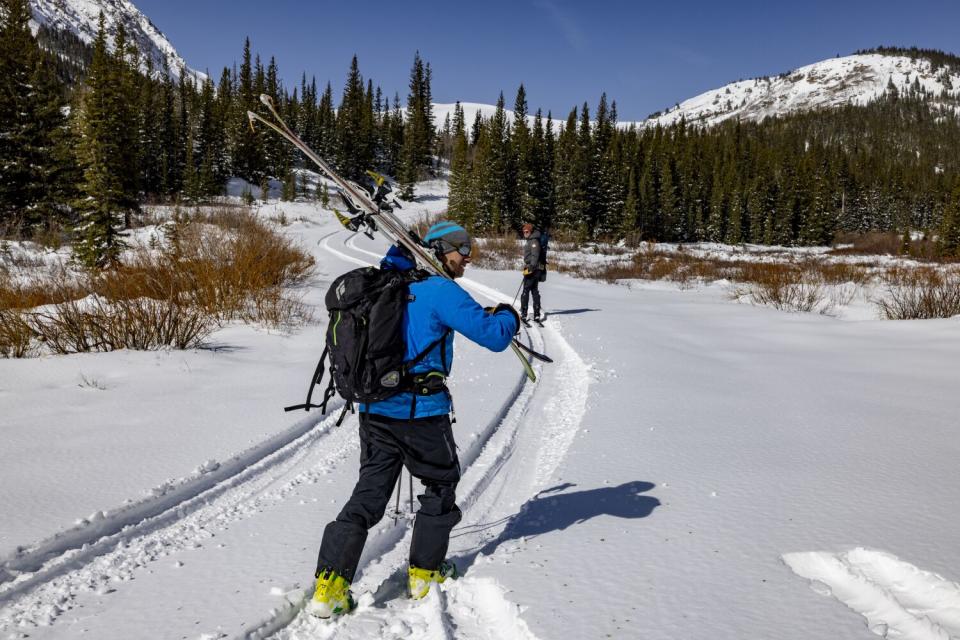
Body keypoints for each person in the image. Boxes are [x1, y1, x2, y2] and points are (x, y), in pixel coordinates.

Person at [309, 221, 521, 618]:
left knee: (368, 496)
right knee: (440, 483)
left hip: (374, 411)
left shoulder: (385, 284)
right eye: (462, 248)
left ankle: (329, 586)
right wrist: (509, 315)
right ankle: (425, 573)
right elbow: (494, 336)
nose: (468, 258)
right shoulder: (440, 290)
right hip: (422, 413)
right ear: (440, 249)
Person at [520, 223, 545, 322]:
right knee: (534, 291)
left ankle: (524, 314)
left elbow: (535, 255)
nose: (525, 233)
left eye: (527, 232)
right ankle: (536, 314)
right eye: (524, 232)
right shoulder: (531, 240)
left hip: (533, 270)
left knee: (526, 291)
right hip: (535, 269)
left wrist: (530, 267)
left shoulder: (534, 241)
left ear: (531, 231)